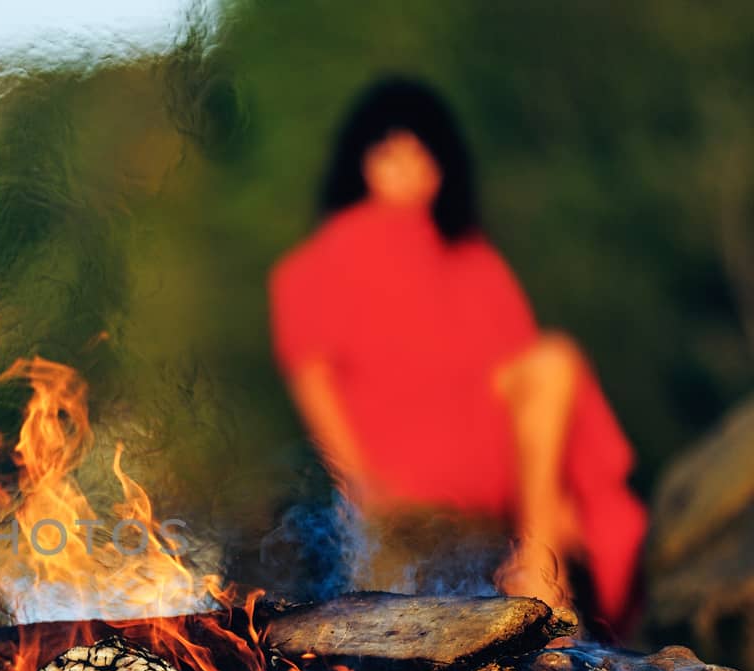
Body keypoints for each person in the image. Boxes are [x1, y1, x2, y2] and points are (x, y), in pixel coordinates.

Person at [269, 77, 647, 633]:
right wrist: (359, 487)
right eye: (391, 155)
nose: (408, 171)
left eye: (424, 157)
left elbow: (520, 380)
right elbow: (313, 381)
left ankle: (540, 562)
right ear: (361, 163)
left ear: (444, 168)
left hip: (482, 443)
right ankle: (542, 569)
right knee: (558, 379)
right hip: (404, 453)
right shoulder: (315, 265)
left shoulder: (471, 257)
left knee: (557, 381)